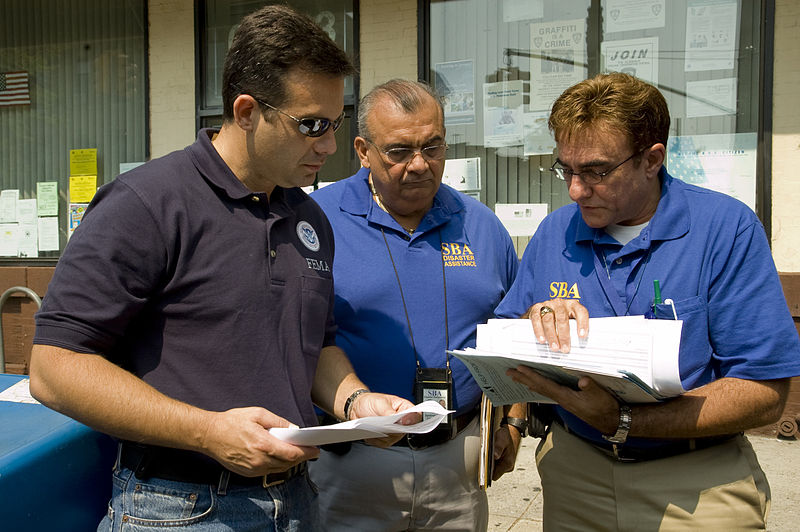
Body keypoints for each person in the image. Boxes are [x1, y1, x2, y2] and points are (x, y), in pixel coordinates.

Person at [28, 6, 415, 531]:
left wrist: (355, 403)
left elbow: (312, 346)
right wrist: (207, 431)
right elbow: (54, 370)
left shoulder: (308, 217)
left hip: (297, 501)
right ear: (247, 111)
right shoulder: (146, 203)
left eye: (336, 121)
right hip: (177, 508)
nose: (328, 144)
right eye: (311, 125)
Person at [494, 72, 800, 530]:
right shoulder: (554, 233)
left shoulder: (725, 229)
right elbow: (505, 348)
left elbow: (764, 395)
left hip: (698, 487)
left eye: (597, 171)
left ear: (652, 158)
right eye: (566, 170)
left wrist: (623, 419)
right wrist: (531, 321)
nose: (576, 190)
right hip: (575, 477)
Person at [309, 79, 526, 531]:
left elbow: (514, 331)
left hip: (460, 463)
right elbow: (294, 336)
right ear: (363, 150)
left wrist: (514, 422)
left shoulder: (482, 226)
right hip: (352, 467)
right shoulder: (314, 221)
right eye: (399, 151)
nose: (420, 165)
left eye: (433, 146)